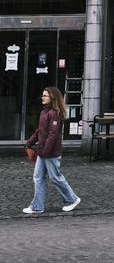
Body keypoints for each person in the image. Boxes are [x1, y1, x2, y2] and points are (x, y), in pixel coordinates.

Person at [23, 85, 81, 215]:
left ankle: (72, 199)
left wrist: (44, 151)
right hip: (43, 152)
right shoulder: (44, 112)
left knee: (55, 177)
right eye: (42, 95)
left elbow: (53, 134)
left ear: (52, 97)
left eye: (45, 95)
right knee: (38, 177)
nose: (42, 97)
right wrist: (29, 144)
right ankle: (37, 206)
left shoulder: (54, 114)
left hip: (51, 153)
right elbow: (40, 131)